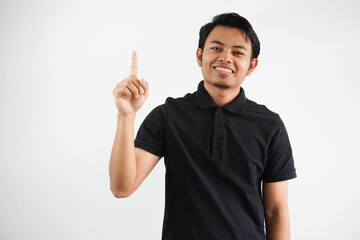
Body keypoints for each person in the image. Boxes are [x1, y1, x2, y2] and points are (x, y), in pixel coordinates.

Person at [110, 12, 296, 240]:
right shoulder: (168, 116)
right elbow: (122, 187)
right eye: (216, 48)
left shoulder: (270, 126)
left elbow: (276, 211)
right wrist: (126, 116)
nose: (225, 58)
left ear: (252, 65)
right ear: (199, 56)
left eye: (237, 52)